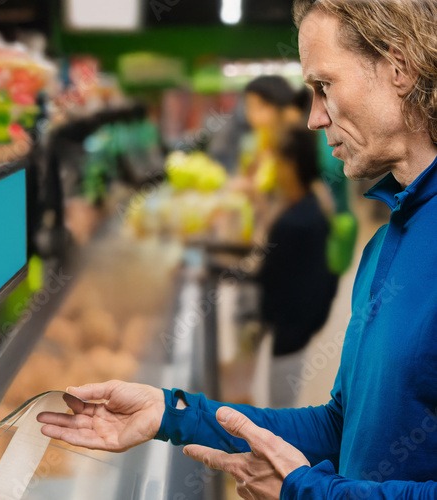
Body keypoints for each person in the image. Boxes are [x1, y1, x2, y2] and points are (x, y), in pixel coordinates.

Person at [38, 0, 437, 498]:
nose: (313, 117)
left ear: (399, 67)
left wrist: (308, 492)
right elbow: (342, 426)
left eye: (324, 86)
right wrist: (171, 412)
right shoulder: (387, 242)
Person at [255, 126, 339, 409]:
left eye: (278, 161)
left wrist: (263, 319)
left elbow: (276, 279)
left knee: (280, 407)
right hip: (302, 325)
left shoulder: (294, 222)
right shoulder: (312, 207)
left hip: (291, 329)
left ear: (291, 166)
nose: (274, 168)